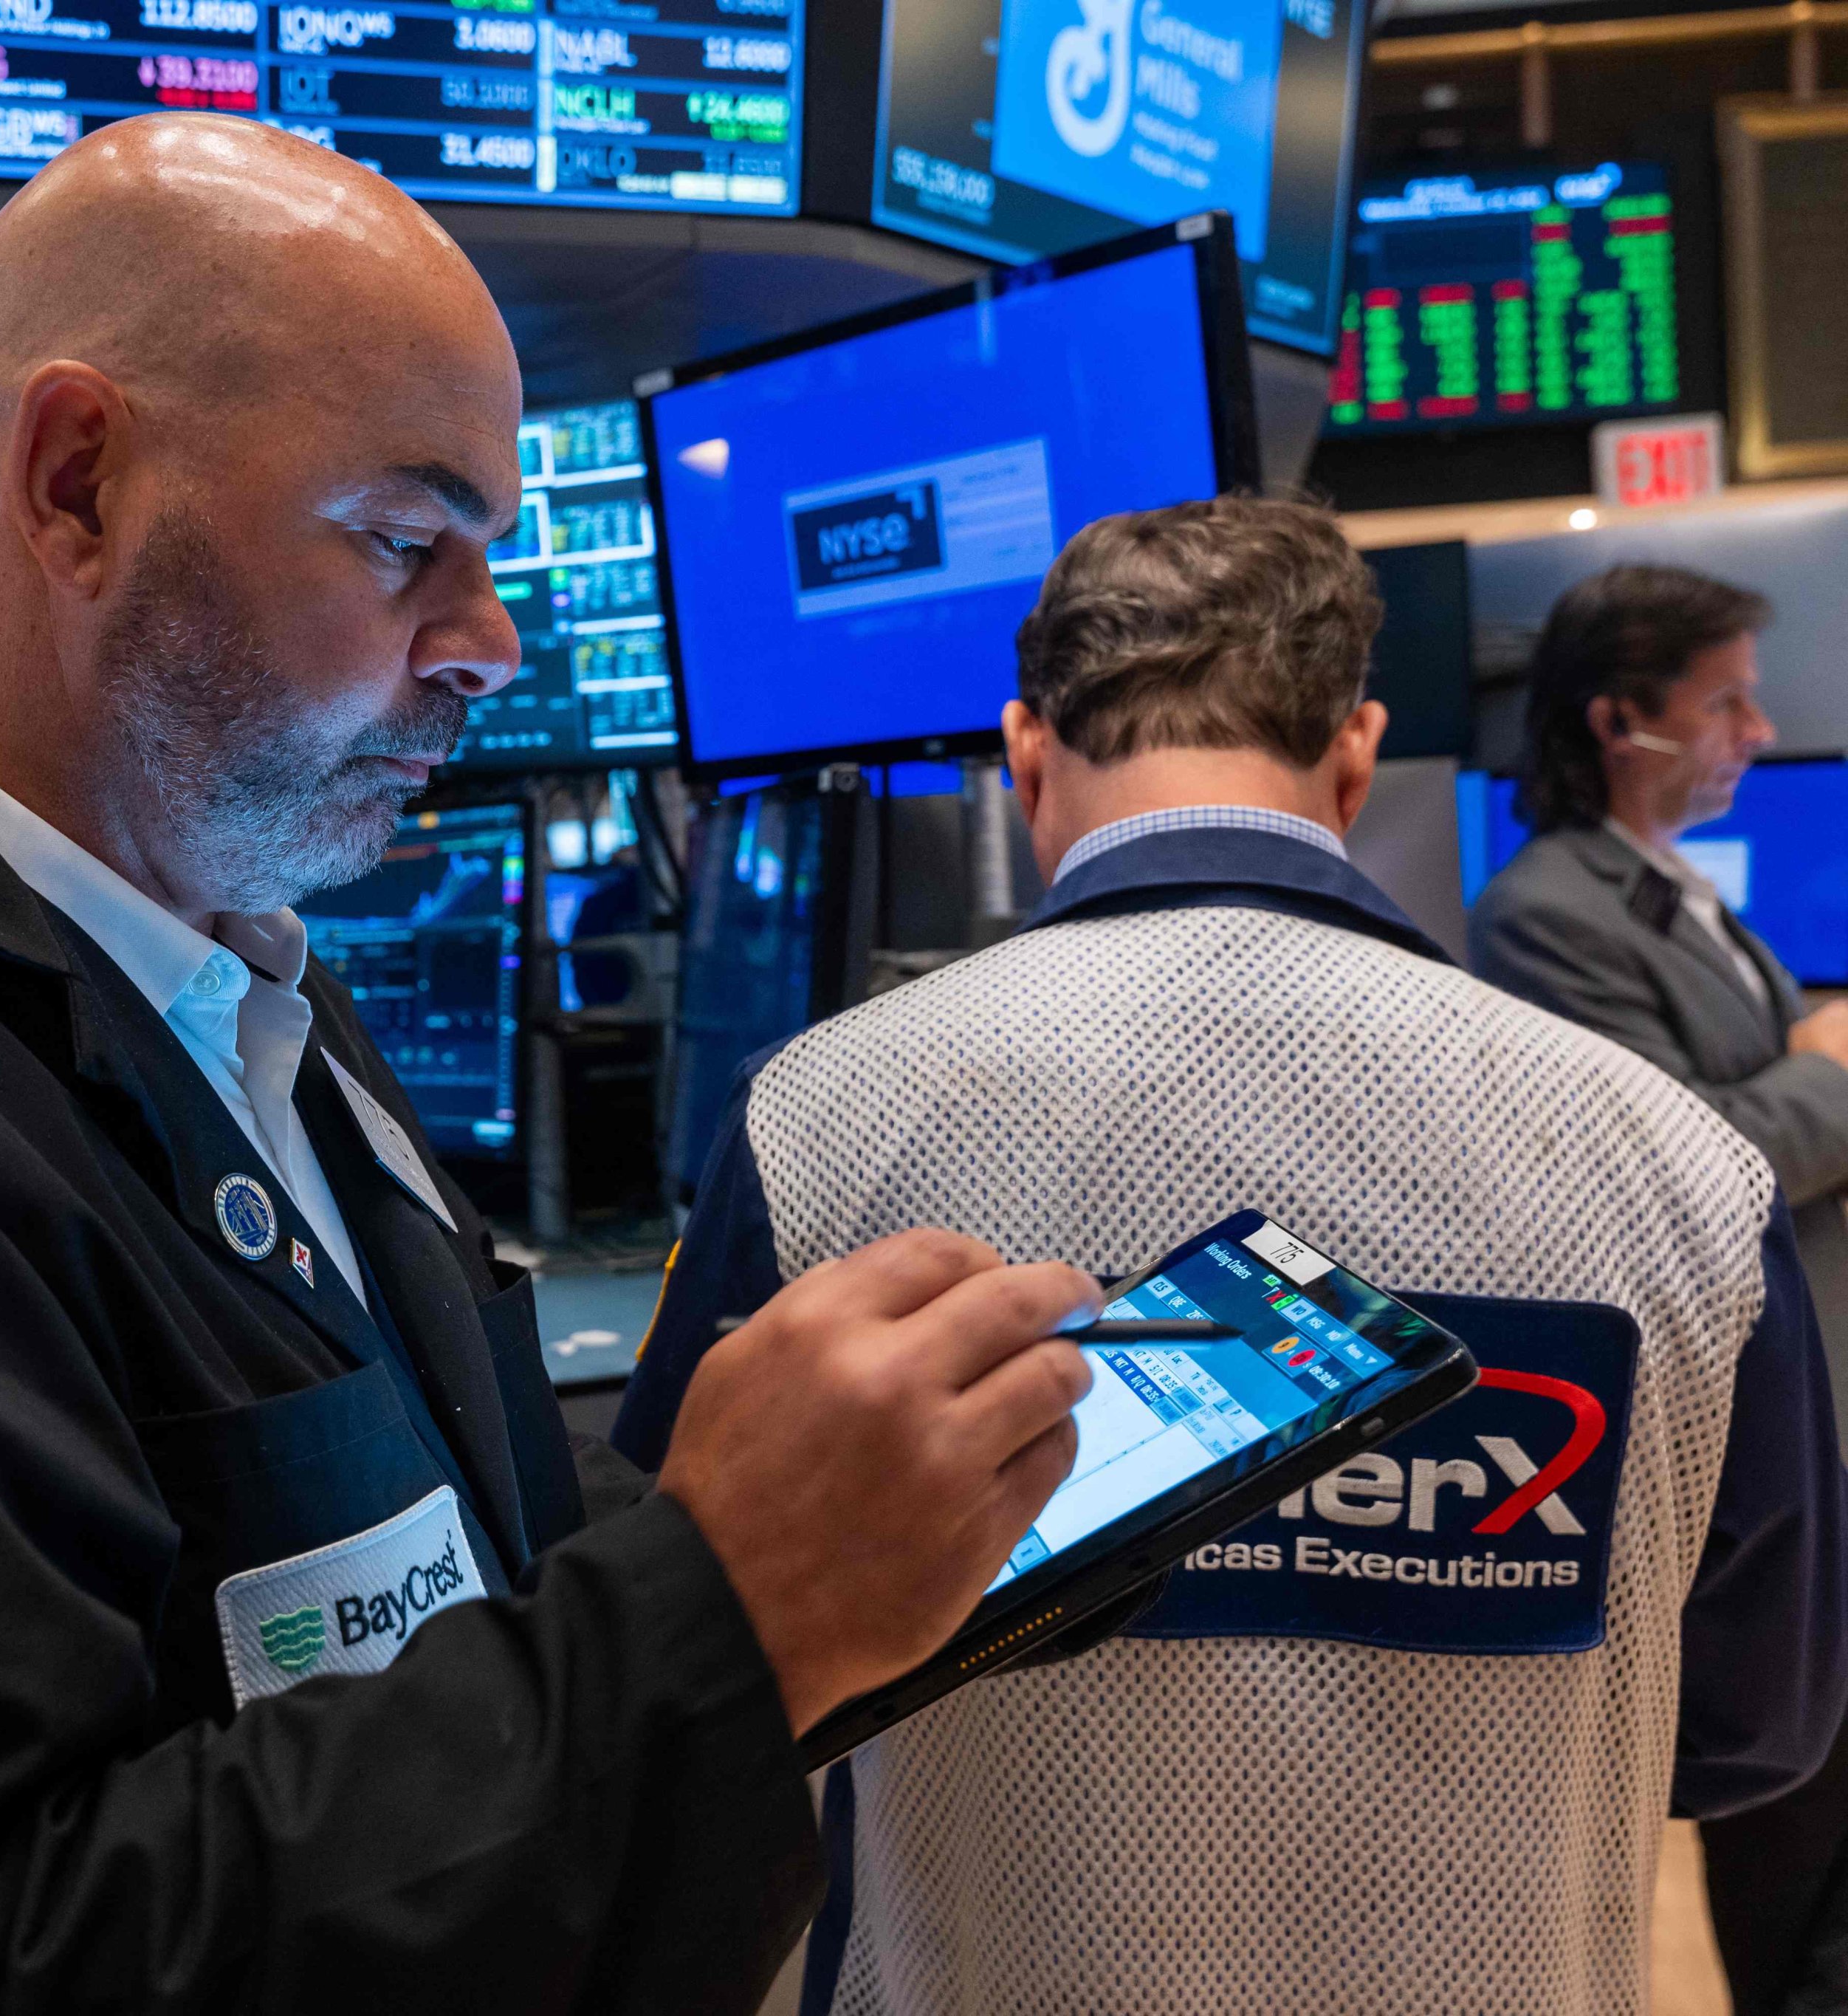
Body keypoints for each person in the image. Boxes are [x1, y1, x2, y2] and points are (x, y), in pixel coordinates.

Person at [0, 114, 1106, 2015]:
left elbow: (431, 1587)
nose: (489, 644)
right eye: (406, 541)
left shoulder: (239, 982)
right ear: (78, 486)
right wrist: (721, 1615)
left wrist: (852, 1526)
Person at [615, 498, 1848, 2016]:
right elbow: (1745, 1728)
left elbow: (679, 1652)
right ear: (1351, 752)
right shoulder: (1676, 1162)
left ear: (1022, 755)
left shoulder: (812, 1118)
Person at [1469, 565, 1848, 2015]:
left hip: (1815, 1405)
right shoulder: (1541, 916)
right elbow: (1687, 1162)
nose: (1756, 730)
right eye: (1727, 701)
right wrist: (1822, 1076)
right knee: (1795, 1842)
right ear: (1618, 718)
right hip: (1755, 1435)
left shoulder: (1675, 895)